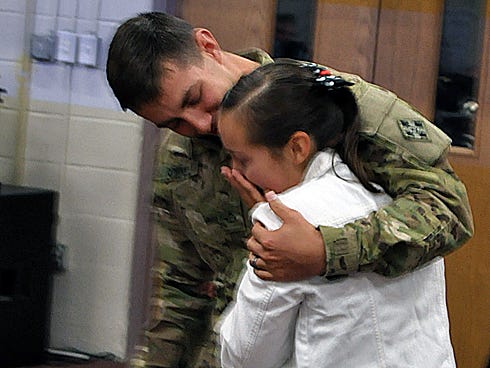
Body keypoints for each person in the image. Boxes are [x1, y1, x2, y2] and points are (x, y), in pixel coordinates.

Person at [105, 12, 473, 368]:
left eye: (194, 97)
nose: (200, 124)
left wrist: (325, 250)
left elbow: (448, 208)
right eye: (173, 122)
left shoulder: (331, 105)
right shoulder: (179, 160)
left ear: (207, 46)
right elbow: (181, 293)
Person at [217, 61, 456, 367]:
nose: (236, 172)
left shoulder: (284, 225)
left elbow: (247, 356)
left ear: (297, 147)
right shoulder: (402, 200)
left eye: (242, 159)